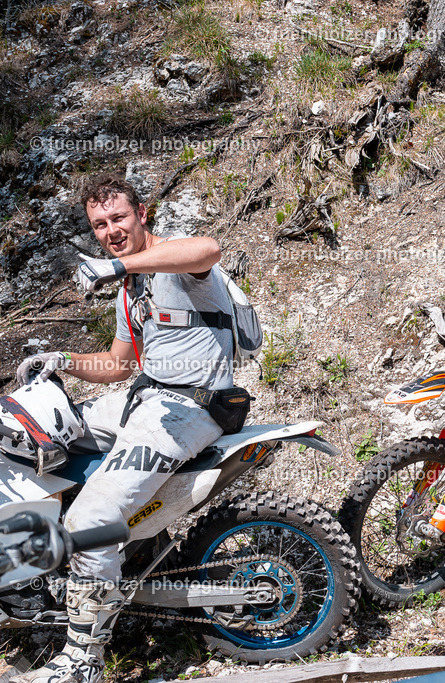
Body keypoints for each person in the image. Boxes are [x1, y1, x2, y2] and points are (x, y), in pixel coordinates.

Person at [13, 174, 234, 683]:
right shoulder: (130, 292)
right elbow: (117, 365)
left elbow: (209, 248)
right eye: (100, 225)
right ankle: (24, 572)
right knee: (25, 431)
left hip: (192, 408)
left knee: (92, 519)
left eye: (119, 218)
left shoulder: (177, 264)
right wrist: (62, 360)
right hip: (142, 400)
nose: (112, 230)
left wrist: (117, 266)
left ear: (142, 214)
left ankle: (84, 660)